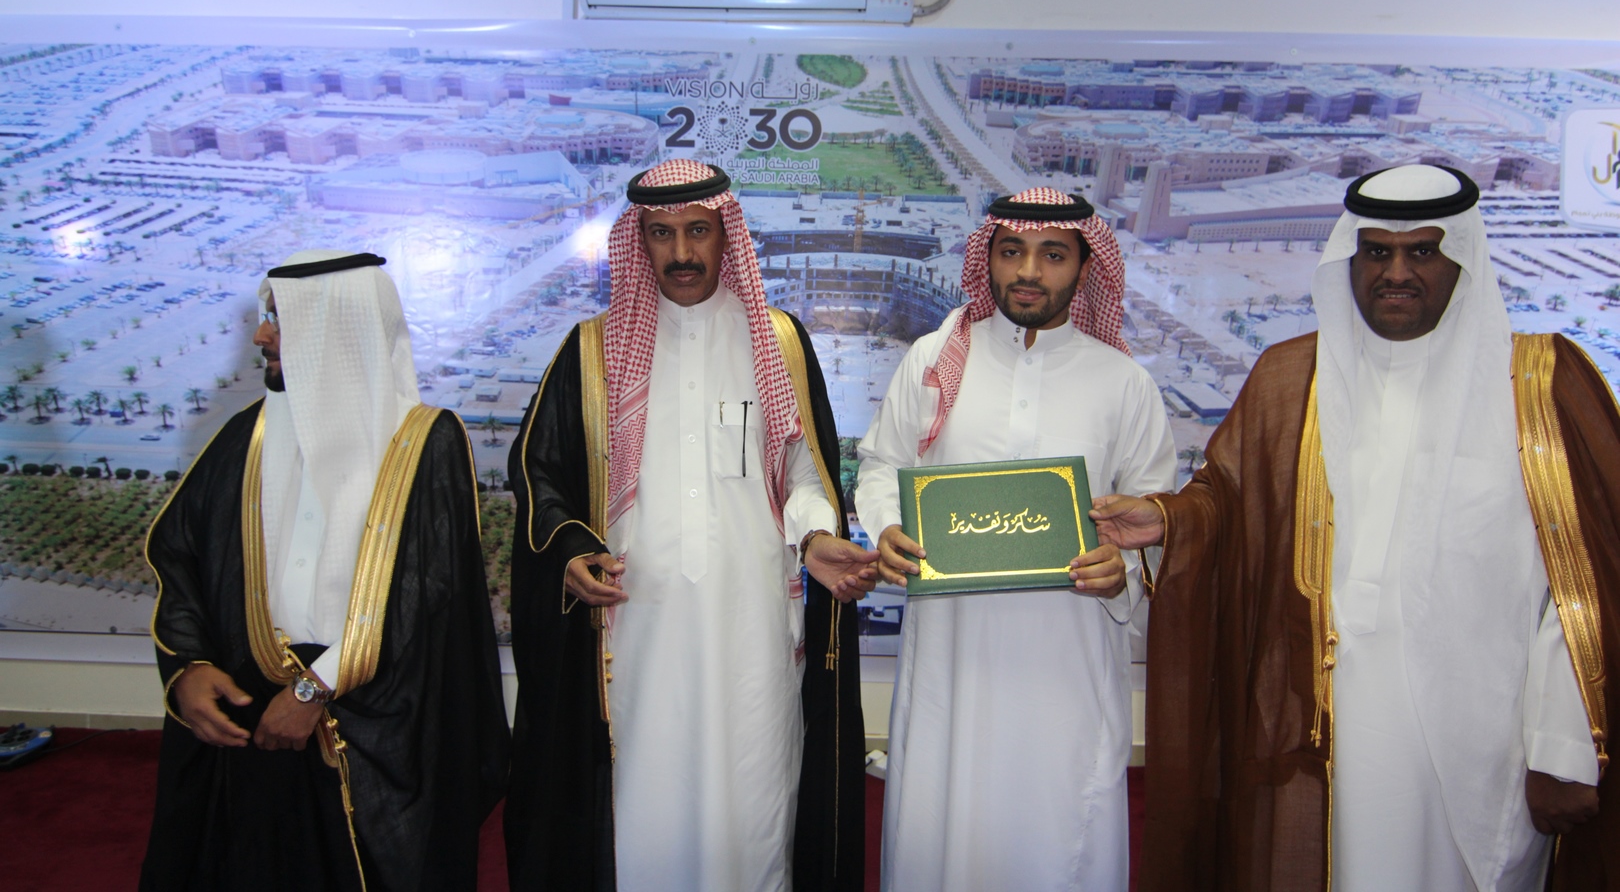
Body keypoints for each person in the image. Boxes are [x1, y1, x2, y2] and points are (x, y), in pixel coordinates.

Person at [1093, 164, 1620, 891]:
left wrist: (1562, 745)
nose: (1396, 273)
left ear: (1463, 259)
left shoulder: (1539, 383)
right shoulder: (1293, 379)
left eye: (1423, 251)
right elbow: (1230, 503)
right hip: (1335, 725)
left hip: (1490, 738)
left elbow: (1584, 577)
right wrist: (1166, 519)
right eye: (1377, 252)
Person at [504, 159, 876, 892]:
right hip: (638, 627)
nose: (681, 252)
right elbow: (540, 476)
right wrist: (571, 550)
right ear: (638, 242)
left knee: (756, 795)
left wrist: (814, 537)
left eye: (698, 231)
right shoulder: (591, 351)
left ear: (725, 233)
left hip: (753, 625)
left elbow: (805, 471)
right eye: (661, 234)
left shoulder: (777, 342)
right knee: (645, 799)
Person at [141, 250, 510, 892]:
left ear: (335, 328)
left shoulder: (425, 442)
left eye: (281, 320)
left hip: (375, 718)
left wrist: (312, 693)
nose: (262, 336)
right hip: (252, 712)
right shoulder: (244, 438)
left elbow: (424, 596)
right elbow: (182, 557)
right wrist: (189, 667)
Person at [857, 187, 1176, 892]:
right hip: (952, 652)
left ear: (1084, 268)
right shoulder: (936, 359)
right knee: (944, 820)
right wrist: (887, 525)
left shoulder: (1123, 383)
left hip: (1066, 658)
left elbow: (1155, 514)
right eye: (1012, 251)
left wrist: (1122, 565)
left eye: (1052, 254)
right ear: (989, 259)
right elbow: (882, 464)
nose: (1028, 271)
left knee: (1058, 829)